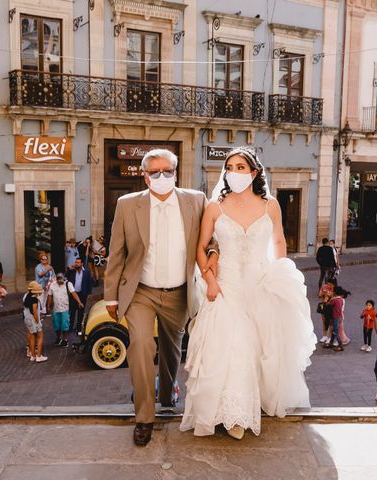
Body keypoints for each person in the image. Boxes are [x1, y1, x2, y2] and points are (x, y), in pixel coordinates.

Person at [180, 147, 317, 440]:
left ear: (254, 173)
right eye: (230, 166)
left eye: (241, 167)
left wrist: (278, 273)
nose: (234, 171)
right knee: (228, 346)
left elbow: (279, 240)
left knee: (260, 348)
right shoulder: (215, 206)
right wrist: (210, 280)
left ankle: (247, 408)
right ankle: (228, 414)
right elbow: (200, 247)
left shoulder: (270, 206)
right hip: (226, 285)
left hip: (260, 283)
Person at [104, 148, 217, 446]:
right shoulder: (127, 205)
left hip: (180, 291)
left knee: (172, 349)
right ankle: (144, 416)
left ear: (176, 172)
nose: (162, 177)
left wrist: (213, 253)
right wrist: (111, 298)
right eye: (155, 172)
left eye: (168, 171)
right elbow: (117, 253)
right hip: (141, 291)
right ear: (145, 177)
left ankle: (167, 393)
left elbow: (211, 239)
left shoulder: (196, 200)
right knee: (140, 343)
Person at [47, 272, 82, 347]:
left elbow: (74, 293)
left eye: (61, 279)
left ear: (64, 278)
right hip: (56, 309)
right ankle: (58, 338)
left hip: (65, 308)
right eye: (58, 279)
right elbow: (50, 296)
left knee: (65, 325)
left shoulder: (68, 284)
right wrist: (48, 306)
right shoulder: (52, 285)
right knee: (56, 325)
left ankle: (65, 340)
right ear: (56, 279)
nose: (60, 281)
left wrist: (79, 302)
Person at [65, 256, 92, 334]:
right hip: (73, 294)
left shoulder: (87, 272)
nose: (76, 264)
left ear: (82, 264)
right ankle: (70, 328)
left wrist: (89, 293)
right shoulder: (72, 271)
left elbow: (89, 283)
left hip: (82, 294)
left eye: (78, 263)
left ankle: (79, 328)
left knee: (81, 312)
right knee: (72, 312)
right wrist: (68, 269)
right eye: (75, 262)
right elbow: (66, 276)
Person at [23, 281, 48, 363]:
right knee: (40, 337)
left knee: (32, 337)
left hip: (27, 320)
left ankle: (32, 355)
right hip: (34, 321)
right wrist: (38, 322)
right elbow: (35, 312)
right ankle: (39, 356)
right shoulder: (34, 300)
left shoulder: (26, 296)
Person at [323, 286, 350, 352]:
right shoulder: (341, 299)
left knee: (335, 332)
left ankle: (340, 346)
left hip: (335, 317)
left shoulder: (334, 300)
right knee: (333, 331)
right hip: (340, 317)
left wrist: (326, 300)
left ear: (334, 292)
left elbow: (327, 305)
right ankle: (331, 343)